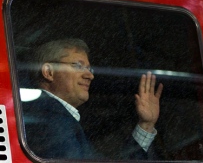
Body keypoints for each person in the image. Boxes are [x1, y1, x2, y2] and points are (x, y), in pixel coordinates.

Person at [22, 38, 163, 160]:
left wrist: (146, 124)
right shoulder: (50, 116)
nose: (90, 76)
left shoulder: (50, 114)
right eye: (78, 66)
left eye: (90, 69)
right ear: (49, 72)